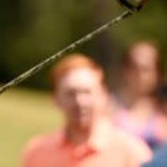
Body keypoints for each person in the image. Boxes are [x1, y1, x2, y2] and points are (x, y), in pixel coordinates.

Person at [21, 54, 152, 167]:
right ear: (55, 99)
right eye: (70, 93)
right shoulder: (37, 151)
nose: (80, 102)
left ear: (103, 96)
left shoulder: (133, 152)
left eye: (87, 92)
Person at [112, 41, 167, 150]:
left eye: (146, 69)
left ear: (157, 73)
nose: (139, 74)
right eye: (133, 67)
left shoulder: (163, 109)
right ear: (124, 70)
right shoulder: (108, 106)